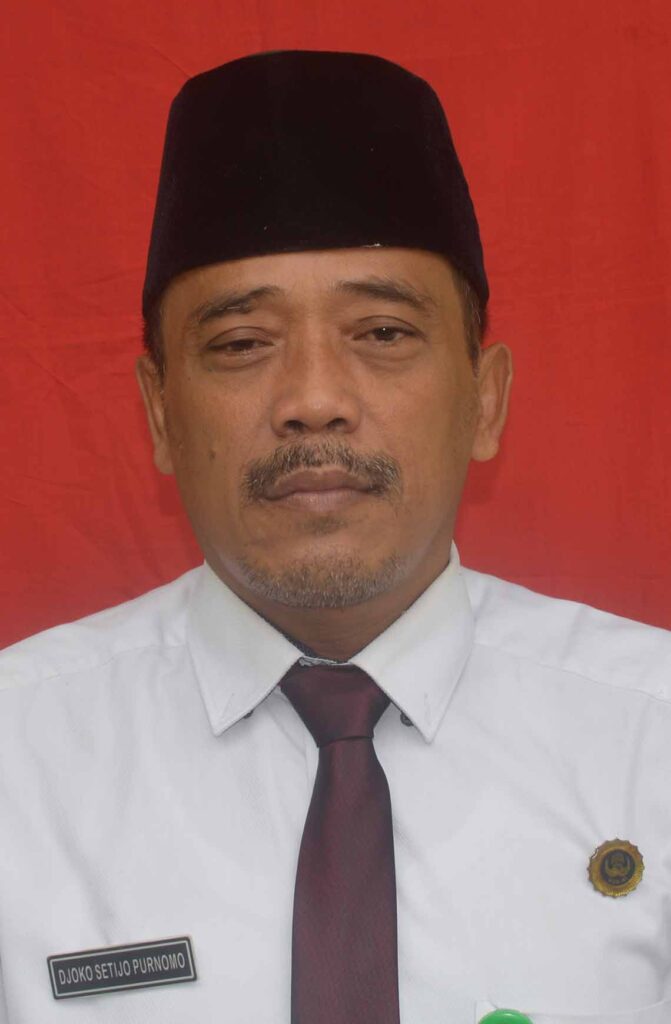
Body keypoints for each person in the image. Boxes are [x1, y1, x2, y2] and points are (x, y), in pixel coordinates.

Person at [0, 49, 670, 1024]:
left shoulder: (650, 740)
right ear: (159, 414)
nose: (313, 400)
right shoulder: (18, 761)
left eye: (382, 333)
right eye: (241, 344)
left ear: (485, 400)